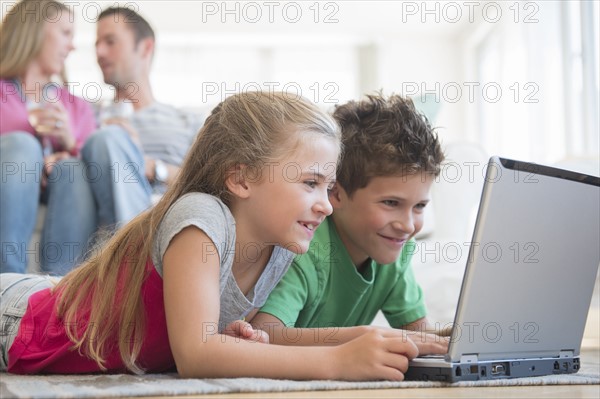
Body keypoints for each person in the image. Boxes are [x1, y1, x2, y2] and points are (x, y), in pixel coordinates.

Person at [0, 92, 421, 381]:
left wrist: (374, 338)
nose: (326, 205)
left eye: (328, 188)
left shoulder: (281, 247)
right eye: (310, 183)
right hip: (21, 319)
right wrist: (335, 362)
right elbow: (197, 354)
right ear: (241, 178)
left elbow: (265, 339)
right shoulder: (202, 220)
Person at [252, 94, 449, 350]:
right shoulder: (304, 251)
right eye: (391, 203)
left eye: (419, 206)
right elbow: (265, 334)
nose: (408, 226)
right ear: (335, 194)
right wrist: (369, 337)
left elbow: (422, 336)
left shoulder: (395, 249)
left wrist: (458, 337)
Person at [81, 6, 204, 229]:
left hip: (165, 222)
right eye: (97, 44)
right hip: (101, 227)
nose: (99, 52)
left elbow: (207, 183)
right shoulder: (87, 115)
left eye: (110, 42)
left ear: (145, 48)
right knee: (107, 139)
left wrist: (153, 168)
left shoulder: (186, 121)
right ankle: (132, 255)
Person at [0, 0, 97, 274]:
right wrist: (31, 157)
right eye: (66, 33)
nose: (72, 46)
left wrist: (69, 143)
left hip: (61, 191)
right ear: (34, 31)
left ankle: (61, 294)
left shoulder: (76, 107)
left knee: (73, 167)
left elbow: (99, 165)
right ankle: (7, 284)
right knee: (21, 146)